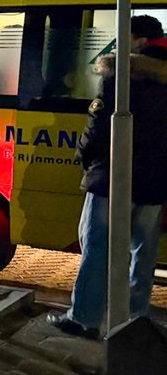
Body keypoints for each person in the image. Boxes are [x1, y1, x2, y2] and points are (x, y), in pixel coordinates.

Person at [47, 21, 167, 339]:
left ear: (139, 40)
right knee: (144, 253)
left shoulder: (122, 73)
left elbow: (98, 125)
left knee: (97, 247)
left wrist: (85, 158)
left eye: (124, 37)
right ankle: (134, 320)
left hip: (113, 179)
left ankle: (84, 318)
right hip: (156, 184)